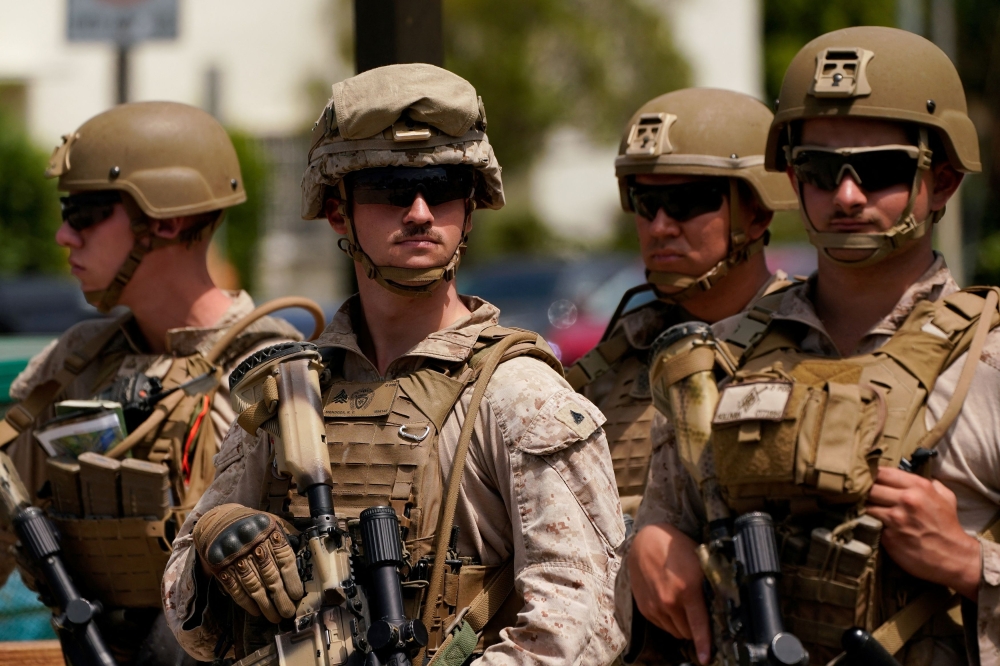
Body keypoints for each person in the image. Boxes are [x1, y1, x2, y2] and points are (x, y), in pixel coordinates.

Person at [162, 63, 626, 666]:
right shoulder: (291, 394)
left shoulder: (520, 396)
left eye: (441, 187)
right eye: (387, 188)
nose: (418, 211)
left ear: (470, 206)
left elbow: (582, 626)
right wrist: (213, 538)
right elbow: (188, 625)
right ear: (337, 210)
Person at [627, 26, 1000, 666]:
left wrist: (971, 565)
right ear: (793, 181)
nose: (847, 196)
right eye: (821, 172)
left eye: (880, 169)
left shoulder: (987, 365)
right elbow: (666, 529)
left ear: (941, 182)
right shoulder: (716, 363)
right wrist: (650, 547)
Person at [0, 101, 303, 665]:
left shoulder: (276, 370)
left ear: (165, 220)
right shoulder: (72, 363)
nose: (64, 235)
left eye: (84, 212)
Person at [567, 88, 797, 526]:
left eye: (687, 201)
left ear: (757, 213)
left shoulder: (813, 344)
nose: (660, 226)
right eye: (645, 202)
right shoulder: (612, 365)